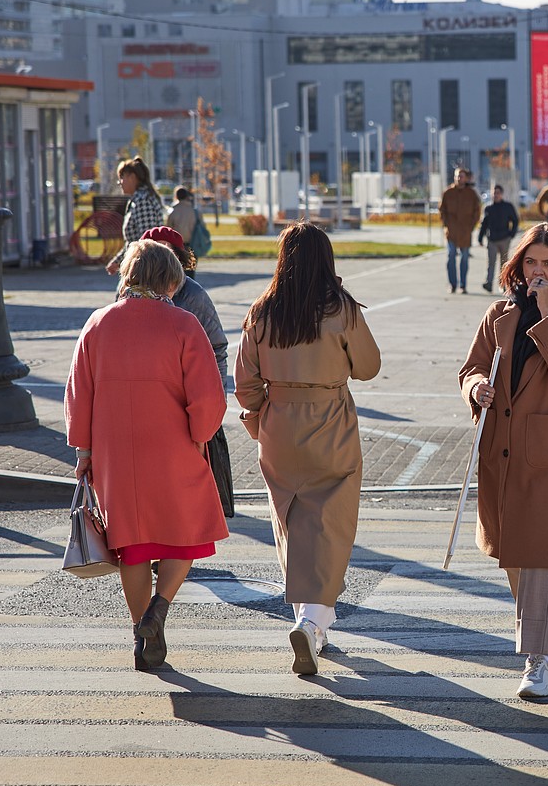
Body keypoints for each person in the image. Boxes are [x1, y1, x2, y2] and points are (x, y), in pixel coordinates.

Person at [65, 240, 227, 671]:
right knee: (188, 530)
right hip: (174, 444)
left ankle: (141, 632)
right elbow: (208, 397)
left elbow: (79, 394)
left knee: (131, 546)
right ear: (169, 279)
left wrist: (84, 450)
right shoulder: (184, 324)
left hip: (115, 452)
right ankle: (159, 608)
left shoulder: (97, 324)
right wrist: (200, 435)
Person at [234, 221, 382, 675]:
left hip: (279, 424)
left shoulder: (261, 311)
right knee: (331, 524)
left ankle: (313, 621)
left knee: (291, 522)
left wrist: (261, 413)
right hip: (330, 421)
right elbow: (369, 367)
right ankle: (311, 622)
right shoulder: (341, 310)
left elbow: (244, 383)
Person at [459, 223, 548, 698]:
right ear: (518, 266)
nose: (538, 272)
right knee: (513, 552)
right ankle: (545, 633)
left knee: (538, 551)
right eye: (531, 263)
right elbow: (471, 367)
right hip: (500, 444)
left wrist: (544, 314)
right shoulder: (498, 313)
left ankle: (536, 659)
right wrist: (476, 388)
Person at [140, 226, 234, 517]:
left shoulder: (193, 297)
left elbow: (217, 348)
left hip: (184, 406)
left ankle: (175, 549)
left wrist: (213, 407)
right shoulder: (129, 293)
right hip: (144, 405)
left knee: (184, 488)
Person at [106, 157, 167, 276]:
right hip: (141, 265)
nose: (119, 183)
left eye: (121, 178)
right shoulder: (138, 200)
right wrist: (118, 261)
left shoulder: (142, 201)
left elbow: (146, 242)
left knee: (124, 295)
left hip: (145, 269)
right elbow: (132, 241)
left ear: (132, 177)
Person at [439, 167, 481, 294]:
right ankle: (452, 284)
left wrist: (471, 226)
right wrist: (446, 224)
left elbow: (477, 211)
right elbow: (442, 210)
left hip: (465, 232)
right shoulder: (448, 193)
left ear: (466, 178)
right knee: (451, 255)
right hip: (451, 231)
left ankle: (463, 285)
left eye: (461, 176)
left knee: (464, 258)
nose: (459, 178)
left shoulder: (471, 194)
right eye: (457, 176)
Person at [478, 184, 520, 293]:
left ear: (501, 194)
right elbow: (484, 224)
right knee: (491, 262)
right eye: (494, 193)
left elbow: (515, 220)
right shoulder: (488, 208)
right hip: (492, 239)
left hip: (504, 238)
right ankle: (489, 283)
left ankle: (503, 284)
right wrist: (480, 237)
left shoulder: (507, 207)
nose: (496, 195)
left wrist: (511, 234)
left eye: (498, 193)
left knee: (504, 263)